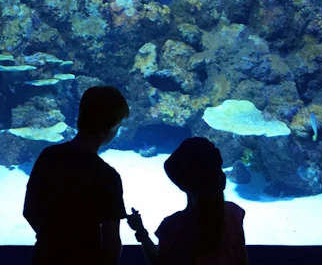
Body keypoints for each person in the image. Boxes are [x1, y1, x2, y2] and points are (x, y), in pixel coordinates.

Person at [23, 86, 130, 265]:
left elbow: (29, 211)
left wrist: (51, 240)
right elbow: (112, 241)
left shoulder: (48, 156)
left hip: (45, 257)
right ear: (111, 128)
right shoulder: (107, 176)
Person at [127, 137, 249, 265]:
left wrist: (140, 231)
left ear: (181, 184)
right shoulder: (234, 214)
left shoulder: (173, 226)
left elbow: (159, 262)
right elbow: (241, 259)